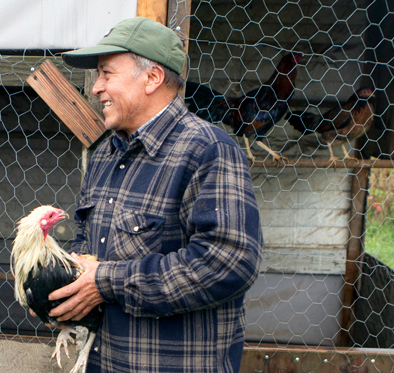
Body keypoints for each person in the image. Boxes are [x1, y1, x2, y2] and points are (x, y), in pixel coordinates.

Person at [47, 17, 264, 372]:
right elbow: (87, 248)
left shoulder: (207, 150)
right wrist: (60, 288)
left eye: (106, 73)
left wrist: (105, 281)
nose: (96, 87)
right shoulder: (106, 154)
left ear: (152, 78)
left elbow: (229, 261)